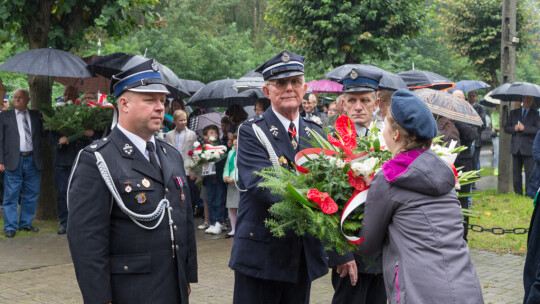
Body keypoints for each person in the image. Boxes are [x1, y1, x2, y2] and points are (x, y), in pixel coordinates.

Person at [67, 59, 197, 303]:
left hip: (173, 287)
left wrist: (187, 276)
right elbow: (87, 241)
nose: (160, 107)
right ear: (124, 104)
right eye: (150, 100)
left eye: (162, 101)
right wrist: (99, 298)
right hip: (130, 291)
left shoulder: (170, 154)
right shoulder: (97, 160)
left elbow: (184, 218)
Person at [356, 89, 484, 303]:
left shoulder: (390, 176)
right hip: (465, 288)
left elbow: (367, 245)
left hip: (419, 292)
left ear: (396, 134)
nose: (384, 130)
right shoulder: (444, 170)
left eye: (385, 124)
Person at [229, 50, 328, 304]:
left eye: (295, 82)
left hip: (301, 257)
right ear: (267, 91)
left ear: (304, 87)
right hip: (261, 256)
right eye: (280, 83)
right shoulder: (252, 131)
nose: (289, 88)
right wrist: (319, 197)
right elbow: (265, 185)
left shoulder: (315, 132)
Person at [327, 67, 386, 304]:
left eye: (365, 100)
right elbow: (323, 202)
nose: (358, 106)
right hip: (349, 255)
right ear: (343, 105)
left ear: (377, 103)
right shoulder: (330, 143)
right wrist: (339, 254)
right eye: (352, 100)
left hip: (383, 251)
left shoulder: (388, 139)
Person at [0, 89, 43, 238]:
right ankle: (10, 226)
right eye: (15, 97)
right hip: (13, 160)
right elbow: (0, 139)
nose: (17, 100)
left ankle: (25, 223)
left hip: (33, 159)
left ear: (28, 100)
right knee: (11, 194)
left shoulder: (36, 116)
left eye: (20, 97)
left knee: (31, 193)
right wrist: (1, 160)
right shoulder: (5, 116)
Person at [452, 89, 476, 241]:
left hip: (464, 163)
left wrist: (457, 120)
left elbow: (472, 135)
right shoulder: (442, 115)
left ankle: (463, 237)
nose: (456, 102)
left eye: (459, 99)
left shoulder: (469, 115)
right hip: (447, 163)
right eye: (454, 99)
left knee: (463, 202)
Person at [504, 95, 540, 195]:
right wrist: (513, 128)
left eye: (529, 98)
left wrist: (525, 129)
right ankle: (518, 193)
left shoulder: (536, 114)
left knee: (529, 173)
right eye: (525, 98)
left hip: (528, 148)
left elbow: (537, 129)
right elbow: (506, 127)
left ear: (532, 100)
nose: (526, 100)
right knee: (516, 173)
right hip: (516, 147)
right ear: (522, 99)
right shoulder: (513, 113)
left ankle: (529, 193)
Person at [165, 109, 199, 215]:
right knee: (176, 191)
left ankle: (190, 211)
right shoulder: (169, 135)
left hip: (188, 168)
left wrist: (193, 170)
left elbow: (195, 153)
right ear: (174, 121)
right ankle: (177, 211)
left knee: (189, 192)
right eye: (180, 120)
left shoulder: (192, 134)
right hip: (174, 168)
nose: (183, 122)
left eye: (185, 120)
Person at [201, 124, 227, 235]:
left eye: (216, 132)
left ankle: (219, 222)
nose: (214, 134)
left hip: (219, 177)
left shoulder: (222, 146)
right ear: (206, 136)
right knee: (210, 200)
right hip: (209, 178)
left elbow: (223, 160)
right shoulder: (203, 148)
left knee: (219, 200)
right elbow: (200, 162)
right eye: (211, 133)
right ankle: (212, 222)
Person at [223, 133, 239, 238]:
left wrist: (235, 178)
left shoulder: (244, 153)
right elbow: (227, 167)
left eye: (238, 139)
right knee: (231, 207)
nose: (235, 141)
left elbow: (241, 168)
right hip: (230, 183)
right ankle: (233, 229)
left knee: (240, 206)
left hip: (239, 183)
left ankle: (240, 229)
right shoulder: (231, 153)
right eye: (234, 139)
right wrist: (226, 176)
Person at [468, 91, 486, 175]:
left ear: (477, 97)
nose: (471, 97)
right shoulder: (465, 107)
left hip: (476, 138)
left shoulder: (481, 108)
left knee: (475, 160)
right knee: (468, 160)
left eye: (473, 96)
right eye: (470, 96)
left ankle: (474, 179)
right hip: (467, 137)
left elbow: (481, 122)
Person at [491, 104, 500, 175]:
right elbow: (495, 126)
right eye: (497, 105)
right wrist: (500, 119)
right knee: (496, 152)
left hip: (504, 135)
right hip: (496, 135)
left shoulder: (506, 113)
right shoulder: (494, 114)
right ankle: (496, 168)